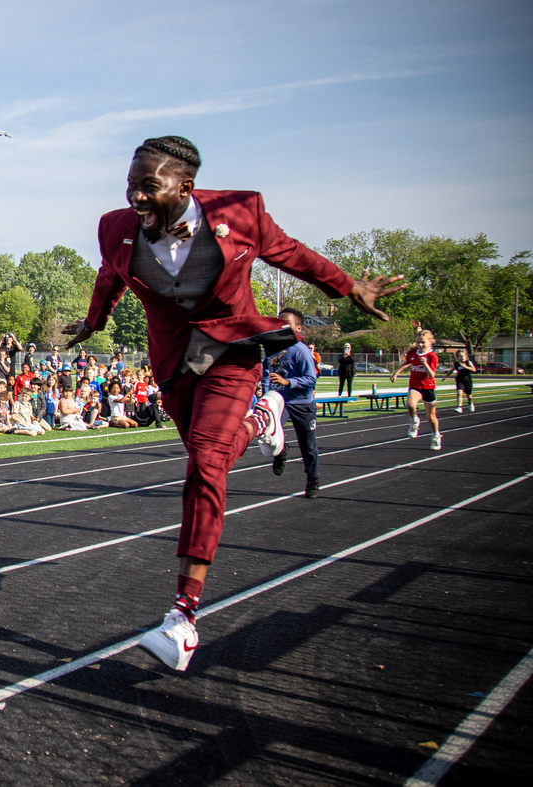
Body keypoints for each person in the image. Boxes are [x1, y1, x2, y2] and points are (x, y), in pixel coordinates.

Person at [61, 135, 404, 672]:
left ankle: (183, 616)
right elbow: (111, 276)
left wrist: (348, 286)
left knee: (205, 464)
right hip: (174, 362)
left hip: (231, 352)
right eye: (131, 185)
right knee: (206, 456)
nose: (136, 197)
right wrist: (92, 323)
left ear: (185, 186)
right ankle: (265, 418)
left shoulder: (241, 211)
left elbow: (292, 254)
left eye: (149, 186)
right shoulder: (115, 228)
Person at [266, 308, 322, 498]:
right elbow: (268, 374)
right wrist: (266, 392)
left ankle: (312, 479)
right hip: (280, 401)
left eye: (286, 324)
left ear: (298, 328)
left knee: (308, 447)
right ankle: (280, 451)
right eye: (279, 323)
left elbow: (311, 379)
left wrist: (288, 381)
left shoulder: (301, 350)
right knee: (269, 432)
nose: (281, 327)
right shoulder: (273, 348)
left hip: (301, 403)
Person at [391, 329, 442, 450]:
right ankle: (414, 421)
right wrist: (395, 373)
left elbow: (431, 375)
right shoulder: (413, 353)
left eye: (423, 342)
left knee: (431, 418)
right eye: (418, 342)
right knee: (410, 404)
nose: (420, 345)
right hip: (415, 386)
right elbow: (406, 363)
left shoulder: (432, 356)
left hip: (428, 388)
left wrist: (426, 364)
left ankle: (436, 436)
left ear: (430, 342)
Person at [441, 348, 477, 413]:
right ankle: (459, 407)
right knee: (459, 393)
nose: (462, 357)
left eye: (463, 356)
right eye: (460, 356)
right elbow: (451, 370)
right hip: (460, 380)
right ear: (457, 357)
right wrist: (445, 377)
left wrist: (466, 366)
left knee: (469, 395)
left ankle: (470, 403)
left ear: (466, 356)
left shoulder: (468, 362)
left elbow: (474, 370)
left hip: (467, 380)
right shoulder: (456, 364)